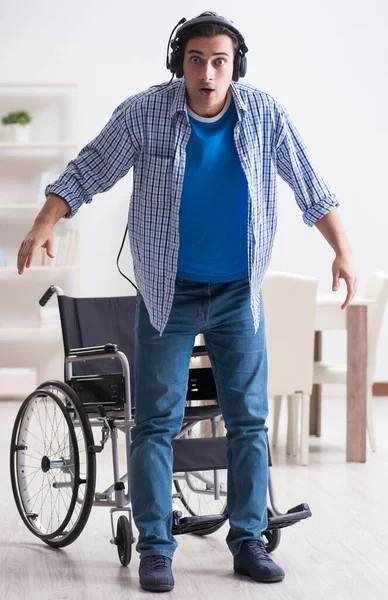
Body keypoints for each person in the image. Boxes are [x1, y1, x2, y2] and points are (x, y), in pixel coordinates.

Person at [17, 11, 358, 592]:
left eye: (219, 61)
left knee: (249, 420)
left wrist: (344, 252)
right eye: (196, 60)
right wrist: (44, 221)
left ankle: (248, 539)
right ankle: (156, 547)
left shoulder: (265, 116)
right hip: (166, 292)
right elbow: (87, 171)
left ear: (235, 67)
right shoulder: (144, 113)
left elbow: (311, 185)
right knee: (154, 422)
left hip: (238, 295)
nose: (207, 72)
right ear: (180, 64)